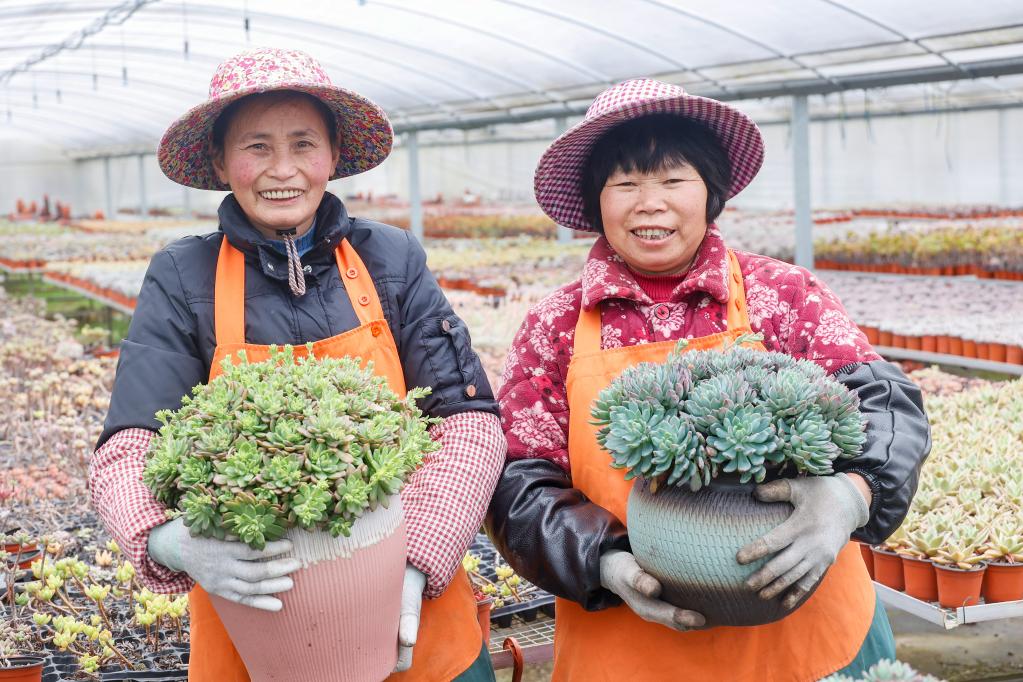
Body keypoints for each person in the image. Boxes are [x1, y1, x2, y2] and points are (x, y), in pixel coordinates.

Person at [487, 79, 930, 681]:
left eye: (674, 180)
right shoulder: (556, 325)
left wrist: (852, 495)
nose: (650, 203)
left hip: (810, 640)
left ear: (710, 192)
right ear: (597, 201)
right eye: (626, 184)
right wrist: (604, 562)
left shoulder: (783, 295)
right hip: (628, 646)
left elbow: (884, 404)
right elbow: (518, 479)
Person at [89, 48, 504, 682]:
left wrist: (416, 561)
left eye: (303, 144)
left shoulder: (390, 258)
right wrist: (168, 540)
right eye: (256, 146)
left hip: (414, 609)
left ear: (332, 155)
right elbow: (130, 443)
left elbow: (467, 419)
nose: (282, 170)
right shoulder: (183, 275)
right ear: (222, 161)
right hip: (253, 611)